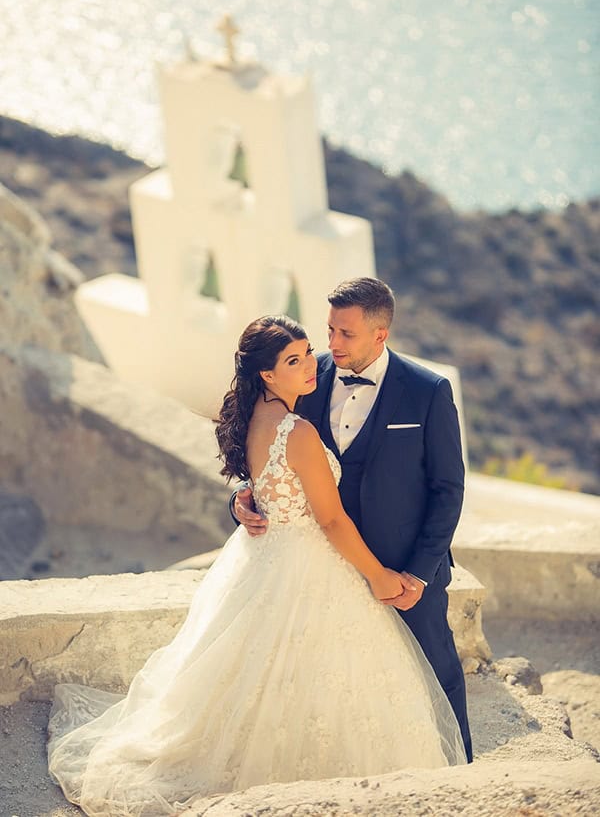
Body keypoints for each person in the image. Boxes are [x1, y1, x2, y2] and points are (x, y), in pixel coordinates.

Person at [48, 314, 466, 817]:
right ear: (267, 373)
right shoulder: (298, 426)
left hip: (270, 557)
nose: (313, 362)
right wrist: (378, 576)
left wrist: (253, 499)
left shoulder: (259, 414)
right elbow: (331, 519)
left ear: (380, 332)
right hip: (312, 558)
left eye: (309, 352)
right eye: (296, 359)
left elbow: (270, 482)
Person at [233, 278, 473, 762]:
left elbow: (448, 490)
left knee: (434, 669)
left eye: (346, 333)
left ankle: (459, 769)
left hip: (403, 567)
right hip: (322, 567)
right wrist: (243, 499)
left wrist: (418, 573)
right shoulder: (306, 375)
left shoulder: (427, 391)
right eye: (330, 330)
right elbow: (267, 453)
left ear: (380, 334)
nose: (332, 343)